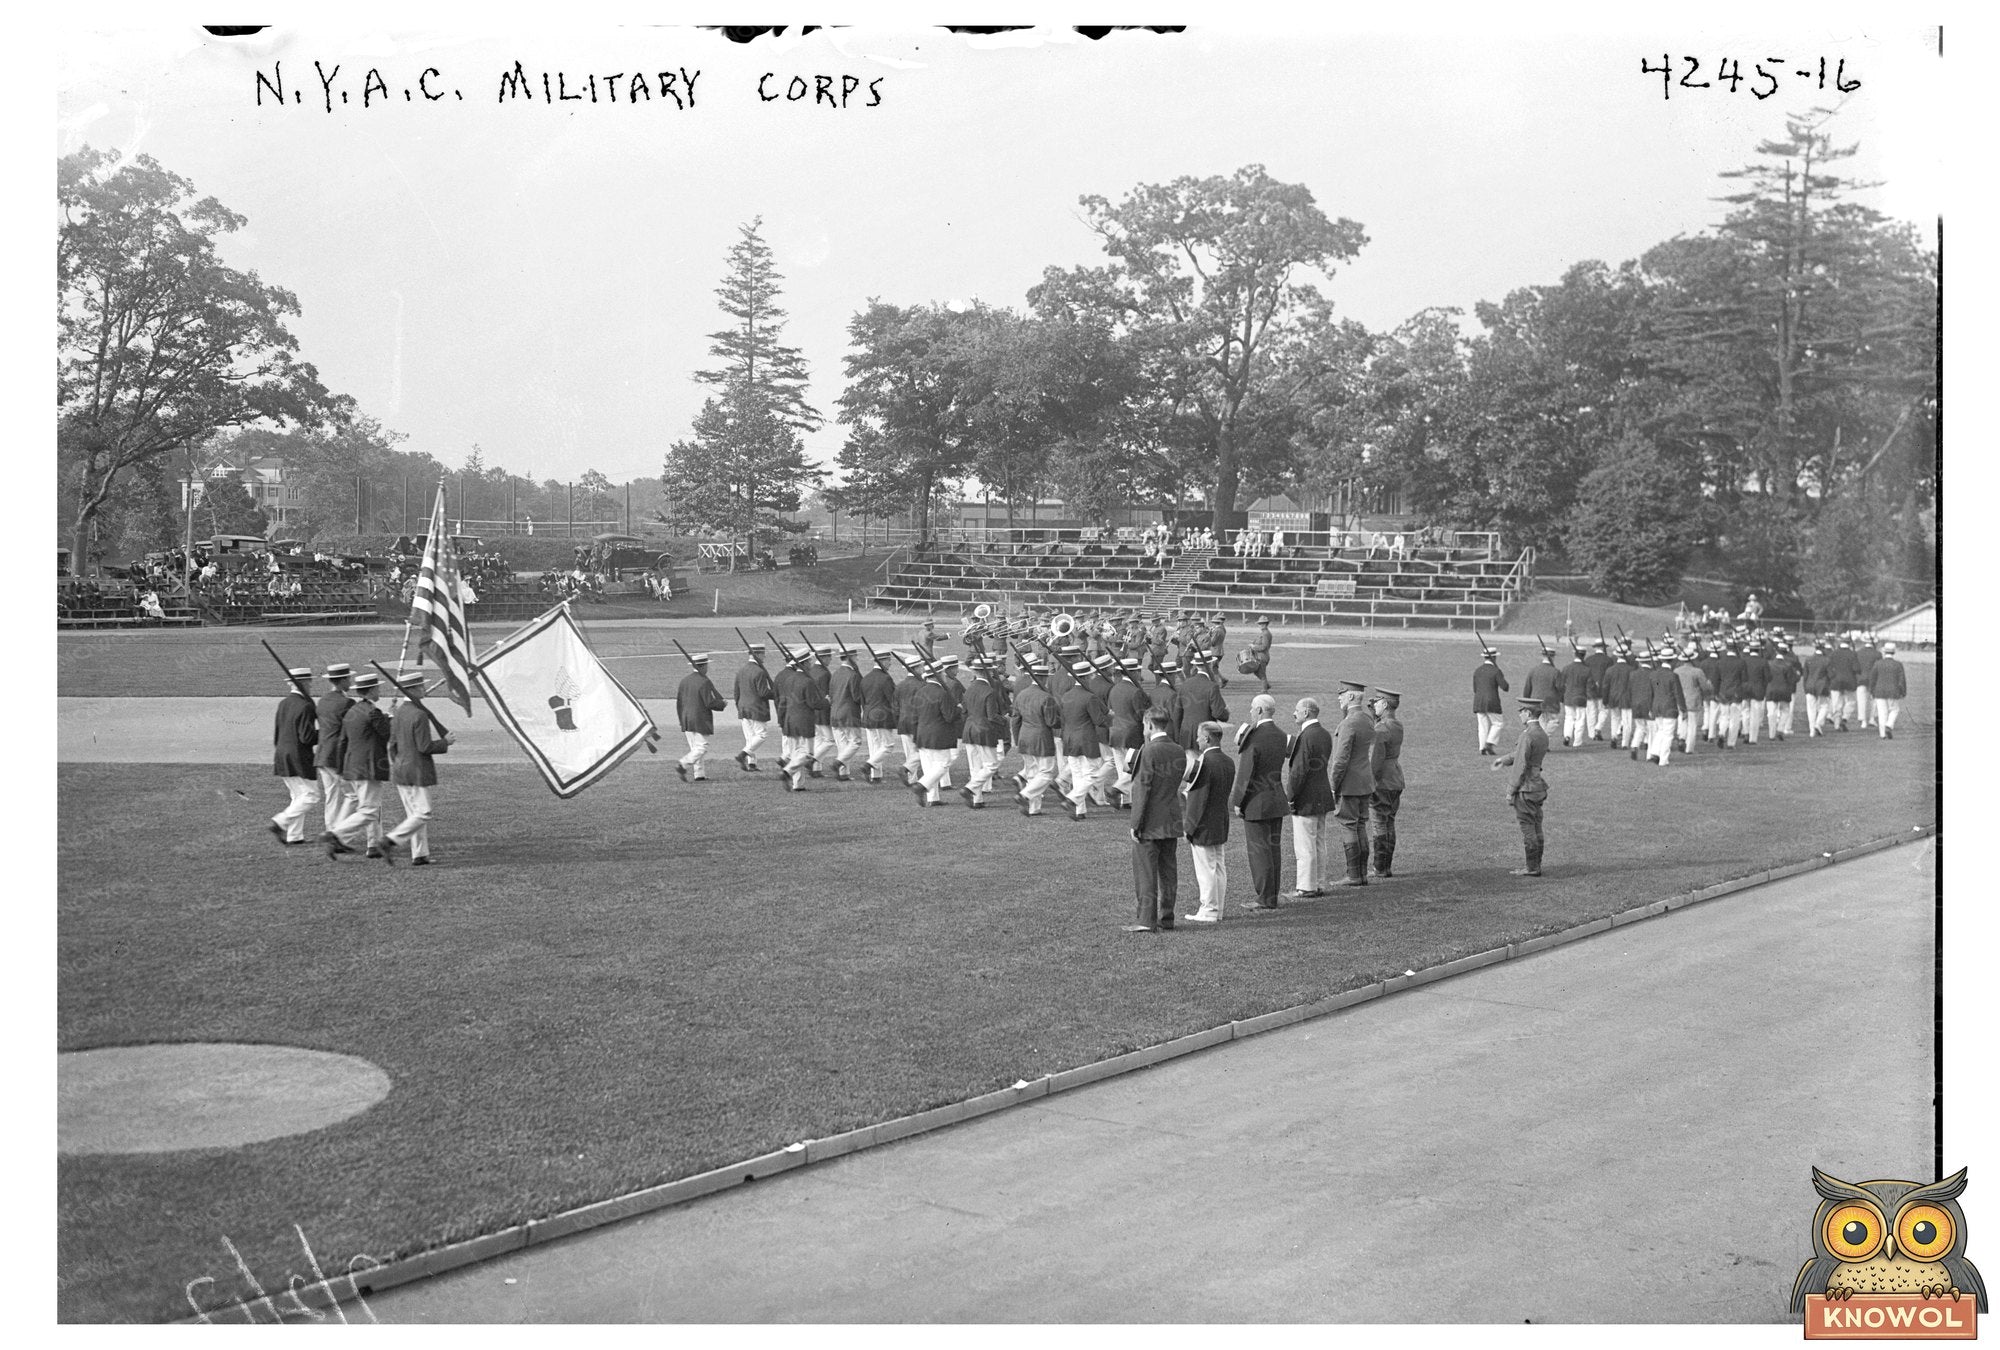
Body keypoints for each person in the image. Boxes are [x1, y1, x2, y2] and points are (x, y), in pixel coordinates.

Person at [1124, 710, 1185, 933]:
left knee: (1146, 873)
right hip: (1171, 817)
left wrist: (1135, 823)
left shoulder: (1148, 751)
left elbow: (1142, 790)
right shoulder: (1178, 749)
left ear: (1149, 725)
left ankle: (1146, 919)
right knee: (1168, 872)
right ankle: (1166, 916)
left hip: (1150, 820)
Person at [384, 672, 452, 865]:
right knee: (424, 813)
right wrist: (444, 742)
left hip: (401, 769)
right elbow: (425, 747)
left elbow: (392, 744)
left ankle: (420, 855)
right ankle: (390, 840)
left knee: (414, 816)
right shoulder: (419, 714)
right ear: (413, 689)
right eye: (420, 686)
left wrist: (397, 763)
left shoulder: (398, 712)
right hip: (416, 771)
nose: (424, 689)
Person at [1230, 694, 1289, 912]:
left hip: (1256, 802)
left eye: (1253, 708)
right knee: (1273, 851)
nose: (1251, 712)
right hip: (1275, 798)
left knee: (1259, 852)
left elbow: (1245, 773)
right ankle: (1271, 894)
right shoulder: (1282, 735)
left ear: (1260, 711)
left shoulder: (1253, 738)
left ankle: (1265, 897)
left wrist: (1237, 802)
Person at [328, 672, 392, 860]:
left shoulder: (352, 711)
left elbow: (342, 742)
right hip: (369, 767)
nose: (379, 690)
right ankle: (338, 834)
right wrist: (391, 718)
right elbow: (387, 734)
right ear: (371, 690)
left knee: (371, 807)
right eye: (377, 688)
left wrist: (341, 769)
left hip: (352, 767)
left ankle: (374, 845)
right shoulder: (373, 712)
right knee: (369, 810)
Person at [1180, 720, 1236, 923]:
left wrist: (1189, 827)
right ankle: (1217, 908)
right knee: (1218, 866)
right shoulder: (1228, 761)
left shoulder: (1204, 763)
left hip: (1204, 823)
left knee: (1206, 869)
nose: (1196, 740)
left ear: (1206, 738)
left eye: (1198, 736)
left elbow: (1197, 799)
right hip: (1220, 820)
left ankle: (1209, 909)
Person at [1490, 697, 1550, 877]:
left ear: (1528, 713)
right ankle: (1536, 864)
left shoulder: (1526, 735)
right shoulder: (1541, 734)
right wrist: (1503, 759)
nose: (1520, 715)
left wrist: (1510, 791)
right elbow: (1521, 755)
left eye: (1522, 711)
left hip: (1526, 788)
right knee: (1537, 826)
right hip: (1538, 786)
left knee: (1527, 827)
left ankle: (1532, 868)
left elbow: (1521, 765)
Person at [1326, 680, 1377, 887]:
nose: (1339, 697)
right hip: (1364, 782)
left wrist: (1332, 786)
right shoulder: (1366, 719)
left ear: (1351, 697)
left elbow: (1340, 760)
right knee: (1361, 825)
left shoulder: (1348, 723)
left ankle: (1354, 875)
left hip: (1348, 784)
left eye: (1342, 694)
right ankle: (1362, 873)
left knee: (1348, 826)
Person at [1283, 695, 1334, 898]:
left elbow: (1298, 772)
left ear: (1306, 712)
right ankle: (1319, 882)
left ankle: (1306, 886)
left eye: (1297, 710)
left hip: (1306, 798)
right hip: (1322, 794)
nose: (1294, 713)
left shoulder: (1306, 736)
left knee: (1304, 845)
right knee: (1319, 842)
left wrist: (1291, 797)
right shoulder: (1324, 734)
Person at [268, 667, 320, 847]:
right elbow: (307, 737)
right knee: (311, 796)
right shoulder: (306, 704)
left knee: (298, 796)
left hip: (282, 753)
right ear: (304, 683)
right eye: (309, 681)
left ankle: (295, 836)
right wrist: (327, 733)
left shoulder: (284, 703)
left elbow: (278, 732)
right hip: (298, 756)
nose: (311, 684)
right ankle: (280, 822)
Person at [1055, 658, 1113, 819]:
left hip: (1070, 738)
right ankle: (1072, 799)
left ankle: (1079, 810)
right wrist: (1112, 720)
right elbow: (1099, 720)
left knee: (1077, 774)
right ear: (1086, 677)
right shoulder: (1089, 697)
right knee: (1091, 774)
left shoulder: (1066, 696)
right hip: (1086, 739)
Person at [1009, 659, 1062, 817]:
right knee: (1046, 773)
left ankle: (1034, 808)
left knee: (1032, 774)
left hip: (1024, 737)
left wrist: (1018, 739)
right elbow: (1052, 722)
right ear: (1044, 678)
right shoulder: (1046, 697)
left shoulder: (1021, 695)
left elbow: (1015, 719)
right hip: (1041, 738)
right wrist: (1063, 719)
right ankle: (1025, 795)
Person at [910, 660, 964, 807]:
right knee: (943, 764)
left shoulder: (920, 692)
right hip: (938, 735)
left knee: (929, 767)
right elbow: (949, 716)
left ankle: (933, 798)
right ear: (939, 674)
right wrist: (959, 709)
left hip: (922, 734)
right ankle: (921, 786)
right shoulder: (942, 693)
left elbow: (914, 717)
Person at [774, 648, 827, 791]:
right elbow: (814, 703)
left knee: (795, 753)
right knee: (808, 754)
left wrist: (782, 720)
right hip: (804, 722)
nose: (810, 664)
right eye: (808, 661)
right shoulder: (807, 681)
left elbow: (782, 703)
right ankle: (787, 771)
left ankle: (798, 784)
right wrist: (827, 701)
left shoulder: (788, 679)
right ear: (803, 663)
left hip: (790, 721)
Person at [314, 662, 356, 842]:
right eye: (349, 678)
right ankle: (337, 834)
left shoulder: (322, 700)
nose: (351, 681)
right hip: (336, 756)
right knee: (353, 795)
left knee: (331, 796)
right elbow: (355, 728)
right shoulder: (347, 702)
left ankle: (330, 829)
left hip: (322, 755)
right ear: (343, 680)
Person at [957, 655, 1006, 808]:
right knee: (991, 765)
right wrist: (1004, 720)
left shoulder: (969, 689)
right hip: (984, 730)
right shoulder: (989, 691)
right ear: (988, 672)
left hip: (969, 729)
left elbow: (964, 712)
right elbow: (991, 716)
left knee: (975, 767)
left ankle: (977, 800)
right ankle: (970, 788)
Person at [1367, 687, 1405, 879]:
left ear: (1384, 704)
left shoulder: (1381, 728)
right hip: (1396, 779)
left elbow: (1376, 760)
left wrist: (1370, 783)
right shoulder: (1396, 725)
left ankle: (1380, 867)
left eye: (1377, 702)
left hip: (1382, 782)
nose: (1374, 704)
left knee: (1379, 824)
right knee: (1389, 823)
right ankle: (1386, 866)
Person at [674, 653, 727, 782]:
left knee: (695, 748)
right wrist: (722, 704)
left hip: (686, 718)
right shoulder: (704, 681)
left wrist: (682, 720)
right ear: (703, 666)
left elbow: (679, 702)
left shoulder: (684, 681)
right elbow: (709, 702)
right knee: (702, 747)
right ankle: (683, 764)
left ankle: (699, 774)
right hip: (699, 718)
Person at [732, 644, 775, 772]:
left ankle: (752, 763)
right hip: (756, 708)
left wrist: (739, 706)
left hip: (743, 707)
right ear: (758, 654)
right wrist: (776, 694)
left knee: (750, 737)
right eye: (763, 654)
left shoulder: (741, 670)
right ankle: (743, 755)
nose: (765, 656)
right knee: (761, 735)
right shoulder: (759, 671)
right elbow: (763, 693)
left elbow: (736, 692)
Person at [859, 648, 899, 783]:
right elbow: (892, 699)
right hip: (882, 717)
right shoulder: (886, 678)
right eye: (888, 660)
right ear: (881, 661)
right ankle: (868, 765)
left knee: (875, 747)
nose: (890, 663)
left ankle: (876, 776)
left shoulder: (866, 678)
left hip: (868, 716)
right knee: (888, 746)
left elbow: (863, 700)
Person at [827, 646, 865, 782]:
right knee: (855, 742)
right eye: (856, 657)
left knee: (842, 745)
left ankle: (843, 773)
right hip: (849, 714)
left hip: (835, 713)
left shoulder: (835, 673)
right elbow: (857, 697)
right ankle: (838, 763)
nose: (857, 659)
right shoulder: (853, 675)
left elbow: (831, 694)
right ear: (851, 658)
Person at [1645, 649, 1685, 765]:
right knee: (1668, 734)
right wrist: (1683, 709)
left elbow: (1650, 693)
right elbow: (1678, 694)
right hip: (1669, 707)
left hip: (1656, 706)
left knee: (1661, 731)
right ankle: (1663, 759)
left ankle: (1654, 752)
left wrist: (1650, 708)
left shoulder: (1653, 675)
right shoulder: (1673, 676)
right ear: (1672, 661)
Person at [1472, 644, 1510, 755]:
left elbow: (1475, 689)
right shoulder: (1496, 671)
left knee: (1482, 726)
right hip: (1492, 701)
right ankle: (1489, 743)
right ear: (1494, 657)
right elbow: (1505, 687)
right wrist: (1500, 674)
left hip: (1478, 701)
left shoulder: (1477, 671)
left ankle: (1482, 747)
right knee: (1498, 723)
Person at [1868, 642, 1908, 738]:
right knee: (1894, 710)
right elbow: (1902, 680)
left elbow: (1872, 679)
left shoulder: (1877, 663)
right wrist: (1903, 692)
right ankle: (1889, 725)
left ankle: (1882, 734)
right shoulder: (1898, 665)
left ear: (1884, 652)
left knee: (1882, 713)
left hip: (1879, 691)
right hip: (1893, 691)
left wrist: (1871, 691)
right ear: (1894, 652)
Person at [1523, 647, 1562, 742]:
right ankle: (1543, 739)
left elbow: (1527, 687)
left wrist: (1526, 701)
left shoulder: (1533, 670)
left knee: (1541, 723)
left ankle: (1541, 741)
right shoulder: (1555, 671)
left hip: (1535, 702)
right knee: (1553, 722)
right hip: (1551, 702)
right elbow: (1560, 688)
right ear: (1552, 657)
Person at [1244, 616, 1273, 693]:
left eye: (1261, 624)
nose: (1259, 625)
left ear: (1265, 624)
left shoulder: (1265, 634)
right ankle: (1266, 685)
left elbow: (1264, 646)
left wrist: (1254, 647)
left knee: (1261, 673)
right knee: (1256, 671)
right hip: (1260, 655)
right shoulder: (1264, 633)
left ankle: (1264, 690)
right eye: (1259, 624)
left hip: (1262, 656)